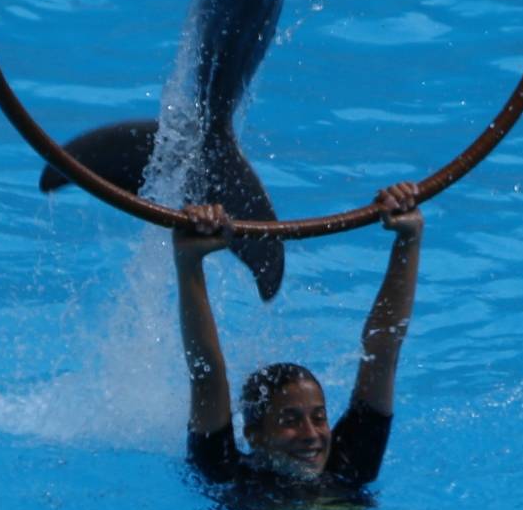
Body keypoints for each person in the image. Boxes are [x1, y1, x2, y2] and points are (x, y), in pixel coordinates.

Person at [172, 182, 423, 490]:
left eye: (319, 417)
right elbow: (206, 376)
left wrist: (409, 238)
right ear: (254, 436)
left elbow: (383, 351)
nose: (311, 435)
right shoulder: (228, 475)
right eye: (289, 421)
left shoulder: (348, 465)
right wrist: (188, 262)